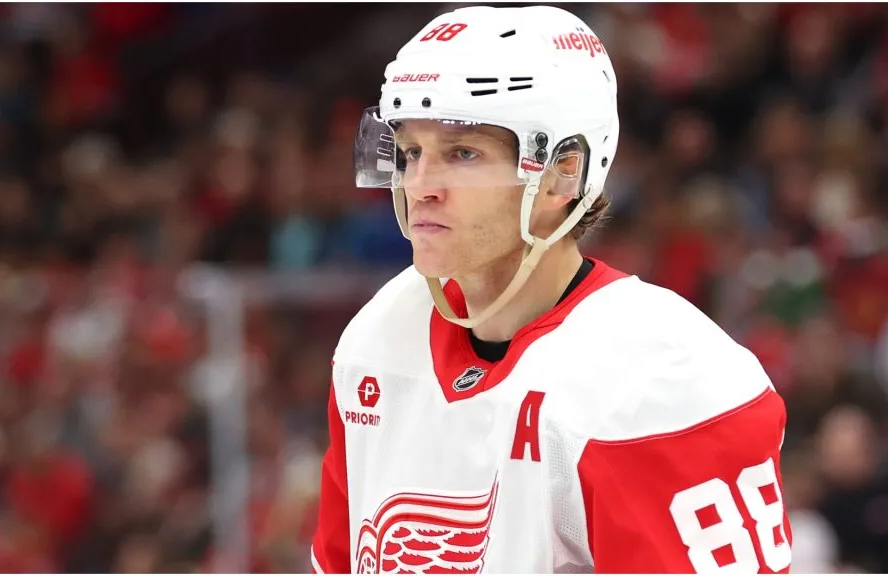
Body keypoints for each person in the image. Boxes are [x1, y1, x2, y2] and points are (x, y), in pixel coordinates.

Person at [312, 5, 792, 573]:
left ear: (563, 173)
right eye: (411, 152)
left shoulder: (660, 378)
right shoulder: (380, 336)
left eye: (462, 153)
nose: (420, 187)